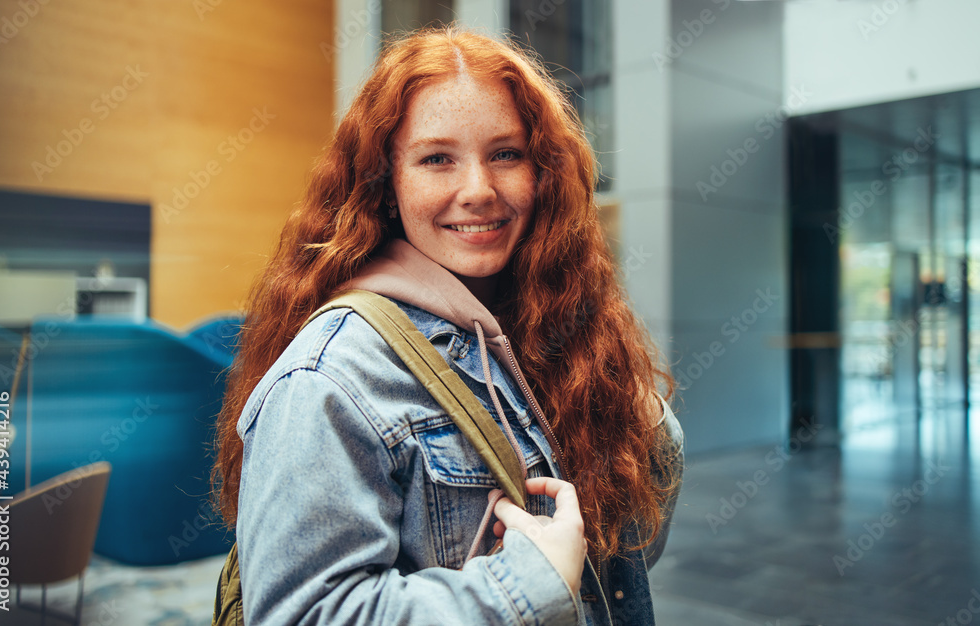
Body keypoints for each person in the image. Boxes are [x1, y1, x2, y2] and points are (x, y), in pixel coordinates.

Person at [211, 27, 683, 625]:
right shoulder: (329, 377)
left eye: (506, 154)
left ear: (543, 174)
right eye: (437, 159)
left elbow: (626, 553)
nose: (479, 190)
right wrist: (524, 586)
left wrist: (626, 410)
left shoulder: (551, 331)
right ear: (385, 187)